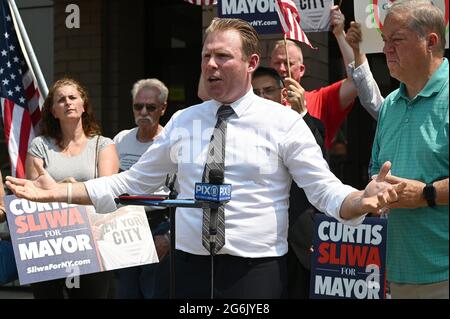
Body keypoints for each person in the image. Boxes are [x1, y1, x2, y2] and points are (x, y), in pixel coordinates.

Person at [6, 18, 405, 299]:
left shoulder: (283, 123)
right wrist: (60, 192)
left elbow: (324, 192)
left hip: (255, 271)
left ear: (250, 64)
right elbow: (131, 183)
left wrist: (359, 201)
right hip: (190, 267)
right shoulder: (183, 121)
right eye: (205, 56)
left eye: (222, 57)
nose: (211, 65)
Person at [370, 0, 449, 299]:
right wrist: (376, 189)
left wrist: (426, 194)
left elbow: (421, 193)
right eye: (385, 41)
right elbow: (375, 168)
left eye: (397, 40)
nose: (387, 49)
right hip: (398, 274)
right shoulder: (390, 104)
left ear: (431, 42)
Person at [25, 77, 119, 299]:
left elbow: (107, 189)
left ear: (83, 105)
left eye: (72, 97)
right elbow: (33, 193)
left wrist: (70, 188)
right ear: (53, 111)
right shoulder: (40, 146)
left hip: (92, 241)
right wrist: (65, 188)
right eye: (60, 100)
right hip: (49, 242)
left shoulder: (103, 145)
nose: (67, 102)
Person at [252, 66, 325, 298]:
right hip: (258, 243)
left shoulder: (304, 126)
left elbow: (321, 171)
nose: (262, 97)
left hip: (299, 241)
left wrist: (302, 113)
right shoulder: (239, 133)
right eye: (256, 92)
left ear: (282, 94)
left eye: (268, 90)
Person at [112, 78, 170, 299]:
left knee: (154, 293)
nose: (143, 111)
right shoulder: (121, 139)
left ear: (162, 109)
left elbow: (183, 191)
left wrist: (168, 236)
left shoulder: (170, 142)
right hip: (124, 229)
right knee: (126, 293)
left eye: (151, 107)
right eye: (138, 106)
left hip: (158, 225)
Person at [270, 5, 357, 149]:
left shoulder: (320, 100)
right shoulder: (259, 102)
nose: (281, 68)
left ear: (302, 69)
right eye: (276, 63)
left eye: (288, 63)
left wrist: (340, 34)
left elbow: (357, 81)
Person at [345, 21, 384, 120]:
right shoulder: (394, 101)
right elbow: (372, 102)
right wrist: (358, 52)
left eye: (398, 39)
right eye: (387, 40)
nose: (388, 49)